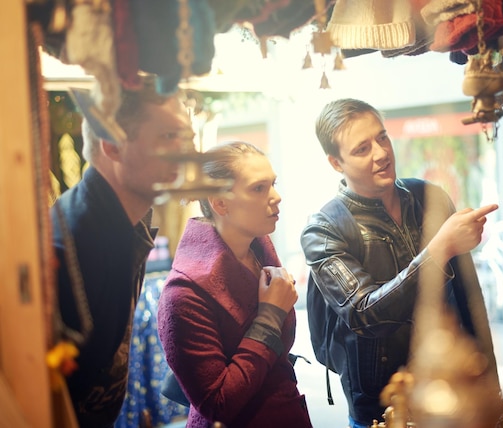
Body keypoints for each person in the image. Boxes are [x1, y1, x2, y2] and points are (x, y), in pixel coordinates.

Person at [300, 98, 500, 427]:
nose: (381, 153)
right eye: (362, 148)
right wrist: (439, 249)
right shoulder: (323, 229)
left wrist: (487, 379)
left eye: (382, 137)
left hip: (453, 383)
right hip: (384, 402)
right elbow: (364, 313)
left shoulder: (428, 197)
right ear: (336, 163)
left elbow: (468, 299)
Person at [51, 77, 191, 427]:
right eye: (167, 137)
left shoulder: (119, 222)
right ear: (112, 145)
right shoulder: (75, 242)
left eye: (184, 137)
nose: (183, 150)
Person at [157, 141, 313, 428]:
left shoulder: (261, 252)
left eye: (273, 184)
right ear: (220, 203)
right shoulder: (183, 294)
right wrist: (269, 316)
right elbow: (218, 403)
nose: (276, 197)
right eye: (259, 188)